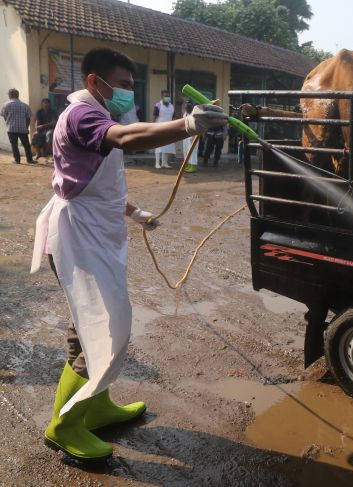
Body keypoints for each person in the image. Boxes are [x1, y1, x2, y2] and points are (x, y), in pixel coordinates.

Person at [29, 47, 228, 461]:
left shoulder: (98, 115)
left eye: (129, 86)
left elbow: (91, 182)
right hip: (79, 237)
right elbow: (128, 137)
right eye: (120, 85)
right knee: (107, 329)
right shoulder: (85, 116)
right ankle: (64, 425)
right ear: (93, 82)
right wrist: (188, 124)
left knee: (86, 327)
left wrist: (135, 211)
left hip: (96, 232)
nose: (126, 93)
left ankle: (96, 405)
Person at [1, 88, 35, 164]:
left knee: (14, 145)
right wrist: (26, 127)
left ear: (10, 95)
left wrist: (9, 123)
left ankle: (17, 160)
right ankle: (30, 160)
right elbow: (28, 118)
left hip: (11, 128)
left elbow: (4, 116)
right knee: (26, 145)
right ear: (18, 95)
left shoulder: (6, 105)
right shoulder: (25, 105)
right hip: (23, 129)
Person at [152, 89, 176, 169]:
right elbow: (154, 117)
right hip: (159, 127)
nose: (167, 97)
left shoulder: (172, 106)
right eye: (166, 96)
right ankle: (157, 163)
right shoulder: (158, 105)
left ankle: (164, 163)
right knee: (159, 146)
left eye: (168, 96)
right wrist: (152, 127)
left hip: (169, 128)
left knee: (167, 146)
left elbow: (173, 118)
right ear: (162, 96)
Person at [182, 101, 198, 173]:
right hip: (186, 135)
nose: (187, 106)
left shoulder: (194, 114)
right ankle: (188, 164)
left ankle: (193, 166)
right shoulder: (185, 113)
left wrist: (194, 136)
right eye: (186, 105)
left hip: (193, 135)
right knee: (186, 151)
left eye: (189, 105)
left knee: (192, 151)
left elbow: (196, 126)